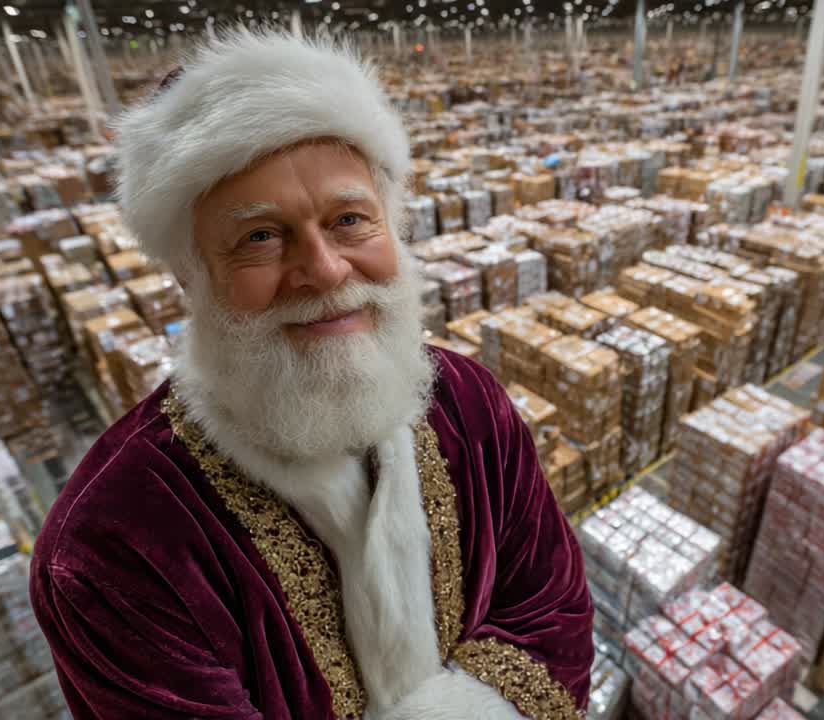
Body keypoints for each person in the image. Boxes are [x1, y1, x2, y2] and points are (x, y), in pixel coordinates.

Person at [29, 30, 593, 720]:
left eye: (350, 219)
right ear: (191, 275)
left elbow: (552, 608)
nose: (325, 270)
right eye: (260, 236)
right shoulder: (112, 545)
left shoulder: (471, 406)